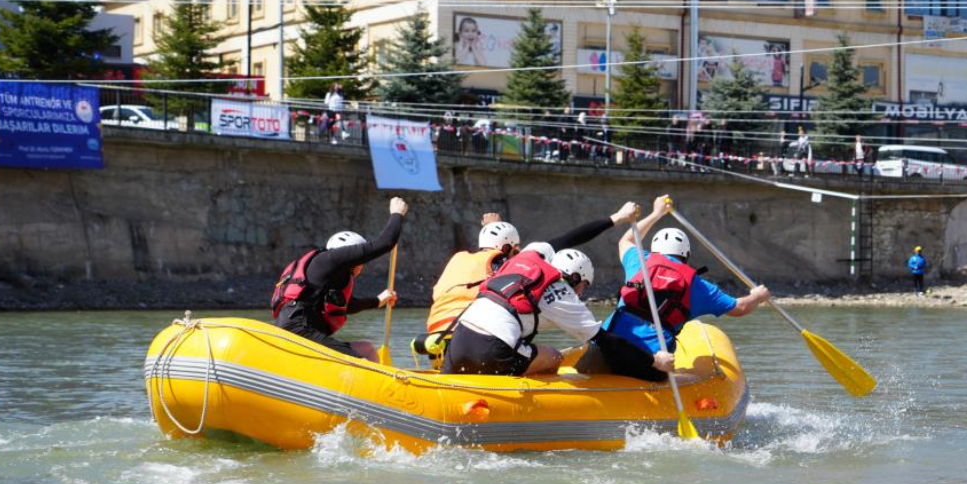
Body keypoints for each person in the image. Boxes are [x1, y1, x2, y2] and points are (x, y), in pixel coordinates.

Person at [575, 196, 772, 382]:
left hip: (610, 348)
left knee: (589, 364)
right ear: (685, 255)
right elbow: (739, 308)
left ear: (655, 249)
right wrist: (757, 296)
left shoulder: (640, 259)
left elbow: (626, 241)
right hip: (649, 363)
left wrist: (656, 213)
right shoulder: (697, 284)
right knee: (662, 369)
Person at [415, 203, 642, 363]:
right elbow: (569, 238)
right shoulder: (508, 264)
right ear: (507, 249)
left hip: (436, 343)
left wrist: (498, 226)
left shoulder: (458, 259)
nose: (521, 253)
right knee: (549, 352)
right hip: (478, 341)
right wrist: (617, 218)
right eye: (516, 249)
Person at [270, 197, 408, 361]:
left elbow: (346, 306)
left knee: (367, 349)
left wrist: (378, 300)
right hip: (299, 330)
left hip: (298, 328)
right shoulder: (331, 260)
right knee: (361, 362)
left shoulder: (325, 273)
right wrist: (397, 214)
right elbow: (385, 243)